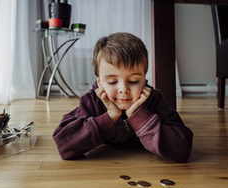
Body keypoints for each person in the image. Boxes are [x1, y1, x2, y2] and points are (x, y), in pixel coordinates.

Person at [53, 32, 193, 162]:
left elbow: (183, 148)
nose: (123, 90)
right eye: (112, 81)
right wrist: (110, 117)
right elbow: (63, 144)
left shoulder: (153, 98)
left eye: (133, 81)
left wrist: (139, 117)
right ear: (99, 81)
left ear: (144, 79)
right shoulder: (92, 100)